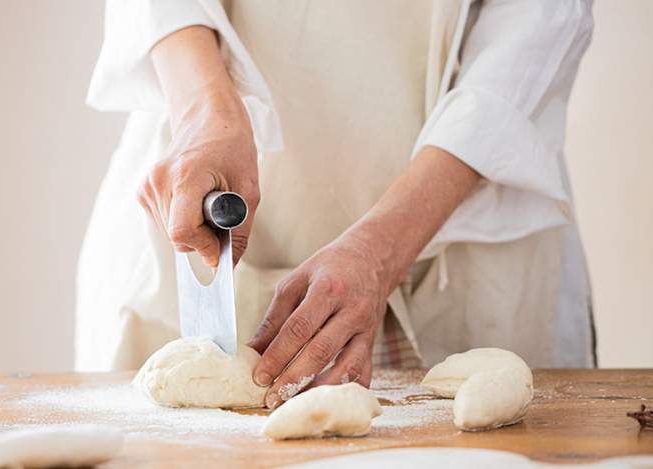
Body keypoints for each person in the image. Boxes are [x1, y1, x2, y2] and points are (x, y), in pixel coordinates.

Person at [77, 0, 596, 408]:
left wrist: (383, 248)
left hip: (458, 229)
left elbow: (538, 22)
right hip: (200, 182)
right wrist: (202, 111)